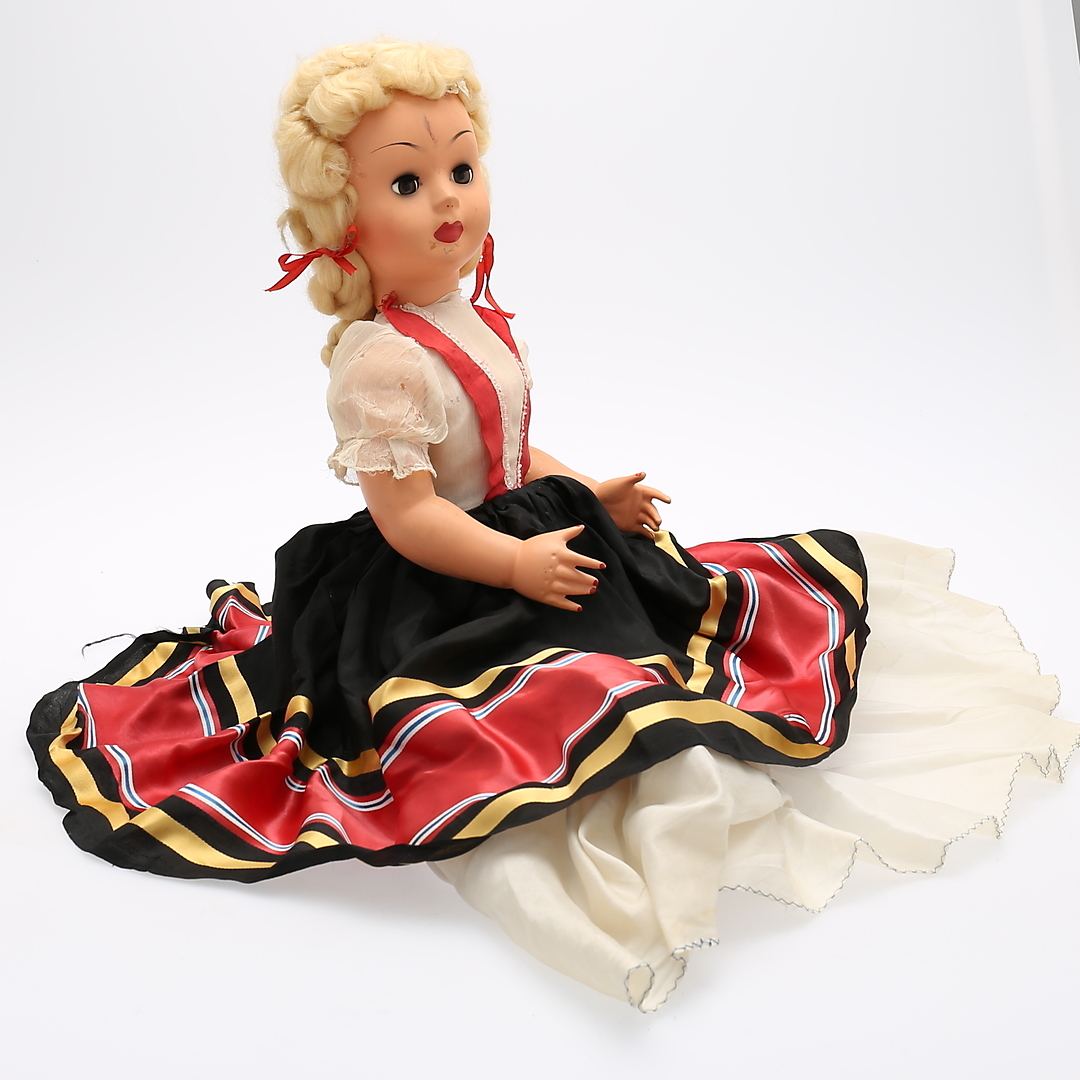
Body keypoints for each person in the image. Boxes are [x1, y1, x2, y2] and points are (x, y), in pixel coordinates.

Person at [28, 40, 1075, 1011]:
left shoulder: (472, 315)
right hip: (439, 575)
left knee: (671, 622)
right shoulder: (380, 364)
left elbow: (511, 447)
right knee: (563, 692)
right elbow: (410, 516)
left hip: (520, 529)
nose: (448, 198)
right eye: (407, 182)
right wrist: (515, 563)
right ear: (345, 216)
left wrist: (589, 495)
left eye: (461, 167)